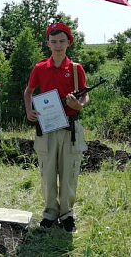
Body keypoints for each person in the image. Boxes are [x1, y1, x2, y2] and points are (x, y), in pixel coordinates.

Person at [23, 23, 88, 233]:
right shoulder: (40, 68)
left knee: (69, 172)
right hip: (47, 128)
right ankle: (50, 212)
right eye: (54, 41)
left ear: (69, 42)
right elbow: (29, 92)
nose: (58, 45)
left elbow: (84, 95)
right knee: (47, 173)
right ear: (48, 43)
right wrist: (29, 111)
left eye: (62, 41)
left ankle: (67, 214)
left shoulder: (76, 69)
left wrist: (78, 105)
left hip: (70, 128)